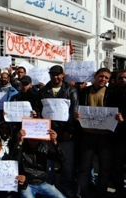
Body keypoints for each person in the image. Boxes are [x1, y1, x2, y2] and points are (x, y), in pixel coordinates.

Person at [76, 68, 123, 198]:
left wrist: (119, 118)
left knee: (104, 168)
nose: (103, 79)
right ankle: (82, 193)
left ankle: (101, 193)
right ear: (95, 76)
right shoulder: (83, 92)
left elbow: (118, 111)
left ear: (109, 80)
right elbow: (76, 107)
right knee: (85, 166)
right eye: (101, 76)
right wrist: (76, 115)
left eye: (106, 78)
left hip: (105, 137)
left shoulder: (112, 94)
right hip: (87, 134)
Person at [36, 65, 78, 197]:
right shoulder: (43, 91)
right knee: (48, 163)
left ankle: (66, 187)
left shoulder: (71, 90)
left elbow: (74, 112)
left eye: (57, 74)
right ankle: (49, 187)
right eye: (52, 74)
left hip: (65, 134)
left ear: (63, 75)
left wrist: (69, 130)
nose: (55, 77)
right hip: (47, 132)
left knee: (67, 163)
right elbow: (38, 109)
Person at [13, 129, 66, 198]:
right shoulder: (22, 148)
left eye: (35, 140)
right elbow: (13, 161)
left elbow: (62, 159)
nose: (32, 143)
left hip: (42, 183)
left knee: (60, 196)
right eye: (30, 140)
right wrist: (19, 144)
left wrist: (55, 143)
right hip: (26, 184)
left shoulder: (44, 148)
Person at [108, 69, 126, 198]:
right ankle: (119, 189)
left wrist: (124, 121)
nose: (123, 80)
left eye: (125, 78)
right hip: (117, 137)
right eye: (120, 78)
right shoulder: (113, 94)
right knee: (117, 165)